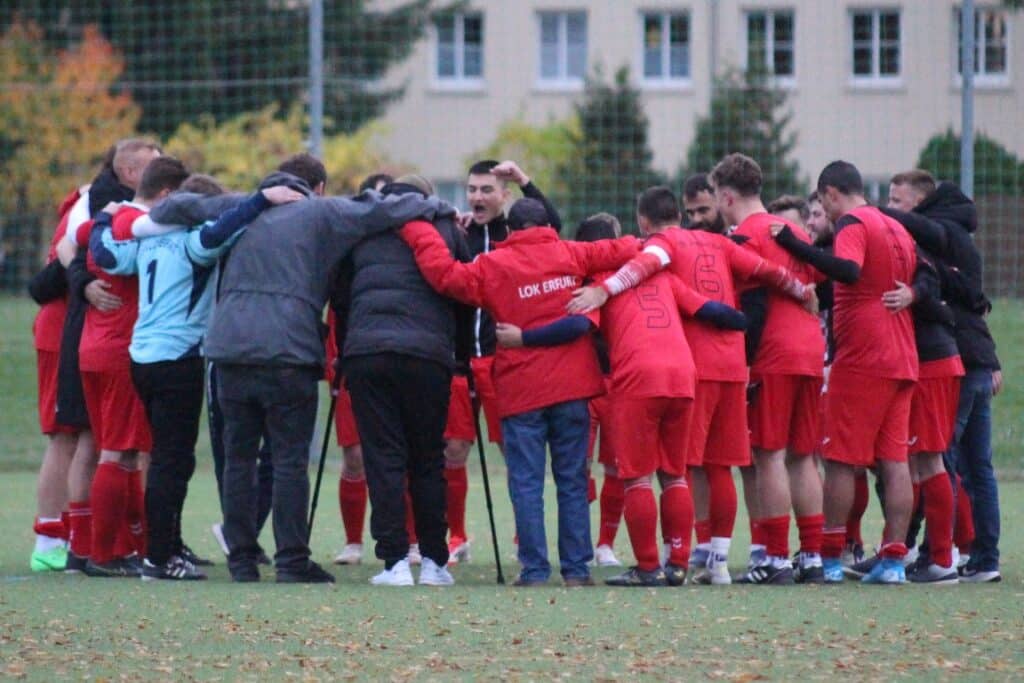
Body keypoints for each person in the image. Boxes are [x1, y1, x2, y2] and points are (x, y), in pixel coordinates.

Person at [153, 153, 453, 583]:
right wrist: (440, 206)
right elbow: (388, 207)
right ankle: (291, 560)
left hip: (230, 346)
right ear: (318, 188)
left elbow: (173, 206)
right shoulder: (321, 211)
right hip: (288, 348)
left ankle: (242, 560)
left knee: (239, 458)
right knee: (289, 459)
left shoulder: (243, 205)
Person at [568, 186, 817, 585]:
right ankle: (703, 560)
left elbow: (633, 274)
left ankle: (651, 565)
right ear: (680, 216)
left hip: (664, 372)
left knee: (642, 475)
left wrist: (600, 291)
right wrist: (798, 290)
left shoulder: (648, 258)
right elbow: (754, 279)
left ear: (643, 223)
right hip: (708, 370)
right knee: (694, 471)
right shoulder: (705, 252)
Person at [400, 198, 639, 587]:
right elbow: (627, 248)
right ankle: (576, 571)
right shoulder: (573, 253)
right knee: (573, 481)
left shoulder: (493, 265)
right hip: (573, 386)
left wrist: (415, 228)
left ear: (510, 231)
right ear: (548, 227)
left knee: (526, 483)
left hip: (521, 389)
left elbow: (444, 275)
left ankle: (534, 570)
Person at [91, 176, 305, 580]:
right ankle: (159, 558)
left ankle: (167, 547)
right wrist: (262, 199)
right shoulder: (195, 243)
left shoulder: (146, 242)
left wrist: (103, 218)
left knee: (168, 458)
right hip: (179, 358)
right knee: (172, 461)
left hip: (142, 358)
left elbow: (105, 254)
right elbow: (227, 227)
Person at [774, 160, 918, 584]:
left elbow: (850, 270)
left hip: (865, 357)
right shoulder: (895, 226)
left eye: (823, 204)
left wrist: (795, 246)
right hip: (902, 353)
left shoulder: (854, 222)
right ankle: (894, 560)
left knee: (839, 458)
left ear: (831, 194)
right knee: (895, 461)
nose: (826, 215)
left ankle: (831, 557)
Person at [335, 174, 472, 587]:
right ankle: (433, 562)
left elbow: (341, 297)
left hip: (368, 353)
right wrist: (461, 356)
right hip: (428, 355)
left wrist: (347, 350)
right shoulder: (448, 228)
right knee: (427, 458)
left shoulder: (363, 227)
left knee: (383, 458)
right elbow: (463, 295)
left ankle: (394, 561)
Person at [60, 155, 188, 577]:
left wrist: (94, 215)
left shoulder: (108, 220)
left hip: (92, 347)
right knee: (119, 453)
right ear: (166, 193)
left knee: (114, 451)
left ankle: (110, 547)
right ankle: (103, 555)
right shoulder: (142, 226)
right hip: (121, 350)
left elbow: (69, 241)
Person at [711, 154, 826, 585]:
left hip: (773, 354)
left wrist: (744, 360)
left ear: (727, 196)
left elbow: (753, 305)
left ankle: (775, 558)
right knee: (802, 456)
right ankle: (811, 556)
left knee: (769, 454)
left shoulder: (744, 237)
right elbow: (817, 282)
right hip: (810, 349)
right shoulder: (794, 230)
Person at [881, 169, 1000, 582]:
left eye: (896, 201)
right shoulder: (956, 233)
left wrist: (871, 212)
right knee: (974, 466)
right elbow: (974, 303)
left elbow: (955, 302)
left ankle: (936, 555)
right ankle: (981, 558)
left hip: (956, 360)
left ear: (920, 203)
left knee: (937, 459)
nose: (892, 209)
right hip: (975, 359)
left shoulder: (939, 233)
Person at [681, 172, 763, 576]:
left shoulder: (728, 245)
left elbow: (757, 302)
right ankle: (712, 553)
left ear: (721, 202)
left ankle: (748, 548)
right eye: (691, 212)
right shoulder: (720, 246)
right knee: (709, 464)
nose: (697, 218)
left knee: (714, 463)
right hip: (721, 366)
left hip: (719, 367)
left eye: (703, 209)